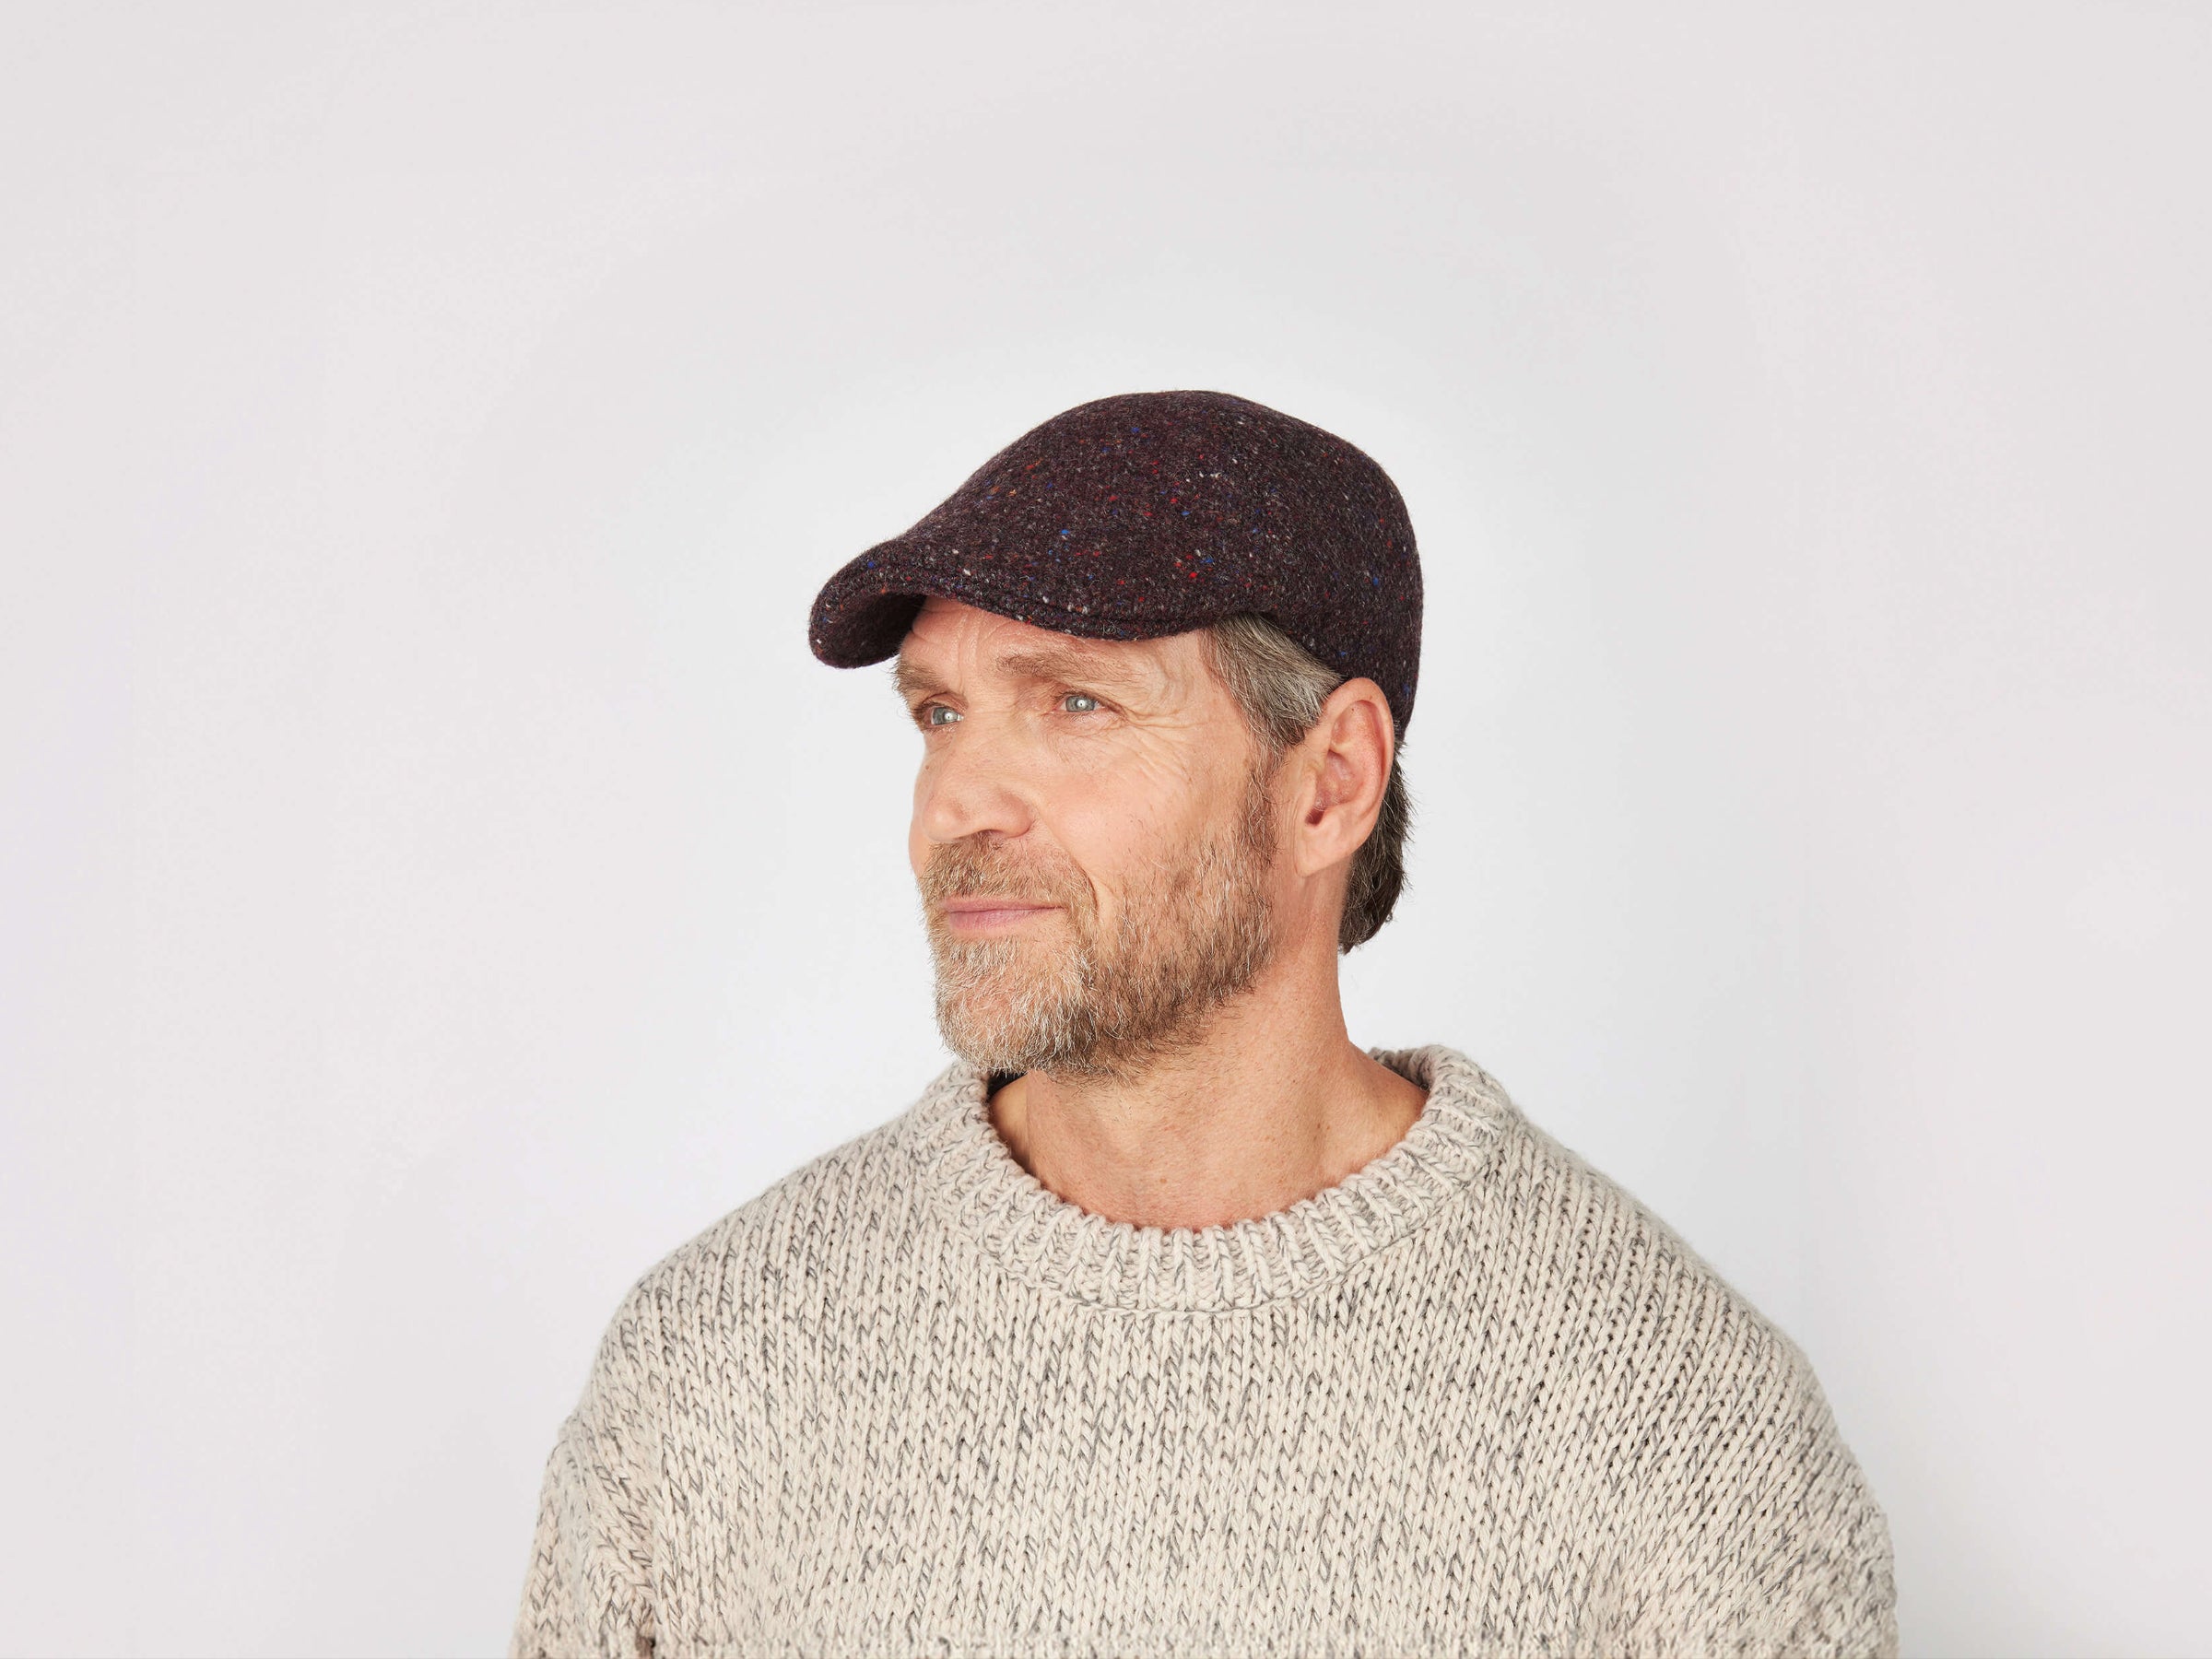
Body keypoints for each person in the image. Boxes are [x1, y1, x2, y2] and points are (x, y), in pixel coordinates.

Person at [510, 389, 1898, 1656]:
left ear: (1329, 783)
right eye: (938, 714)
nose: (956, 807)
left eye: (1075, 703)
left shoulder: (1680, 1432)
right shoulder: (710, 1375)